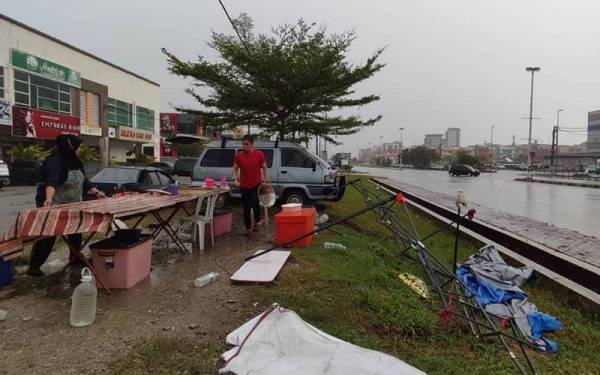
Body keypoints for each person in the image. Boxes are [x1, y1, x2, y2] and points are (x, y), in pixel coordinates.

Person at [27, 134, 106, 281]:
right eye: (79, 147)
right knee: (48, 236)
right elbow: (52, 182)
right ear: (70, 147)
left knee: (76, 234)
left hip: (74, 204)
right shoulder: (54, 162)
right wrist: (49, 198)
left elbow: (84, 182)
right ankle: (34, 266)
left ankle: (75, 261)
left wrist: (97, 192)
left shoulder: (75, 162)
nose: (80, 150)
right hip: (55, 205)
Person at [232, 135, 269, 235]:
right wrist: (235, 179)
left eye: (247, 144)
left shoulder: (259, 154)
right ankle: (248, 228)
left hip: (256, 184)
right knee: (246, 207)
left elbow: (265, 167)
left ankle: (257, 222)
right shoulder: (239, 155)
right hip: (244, 185)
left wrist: (266, 178)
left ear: (252, 144)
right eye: (243, 144)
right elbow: (235, 168)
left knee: (254, 202)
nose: (244, 146)